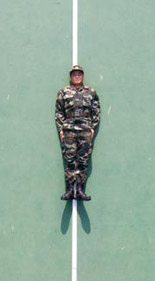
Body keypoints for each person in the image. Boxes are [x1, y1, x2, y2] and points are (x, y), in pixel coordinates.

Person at [55, 64, 101, 201]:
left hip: (85, 129)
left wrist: (92, 127)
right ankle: (70, 190)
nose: (77, 76)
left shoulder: (91, 92)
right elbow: (59, 112)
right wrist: (61, 129)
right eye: (74, 74)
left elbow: (96, 111)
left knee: (83, 160)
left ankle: (80, 190)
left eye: (79, 74)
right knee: (69, 159)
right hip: (69, 129)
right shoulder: (63, 92)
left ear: (82, 76)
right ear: (71, 76)